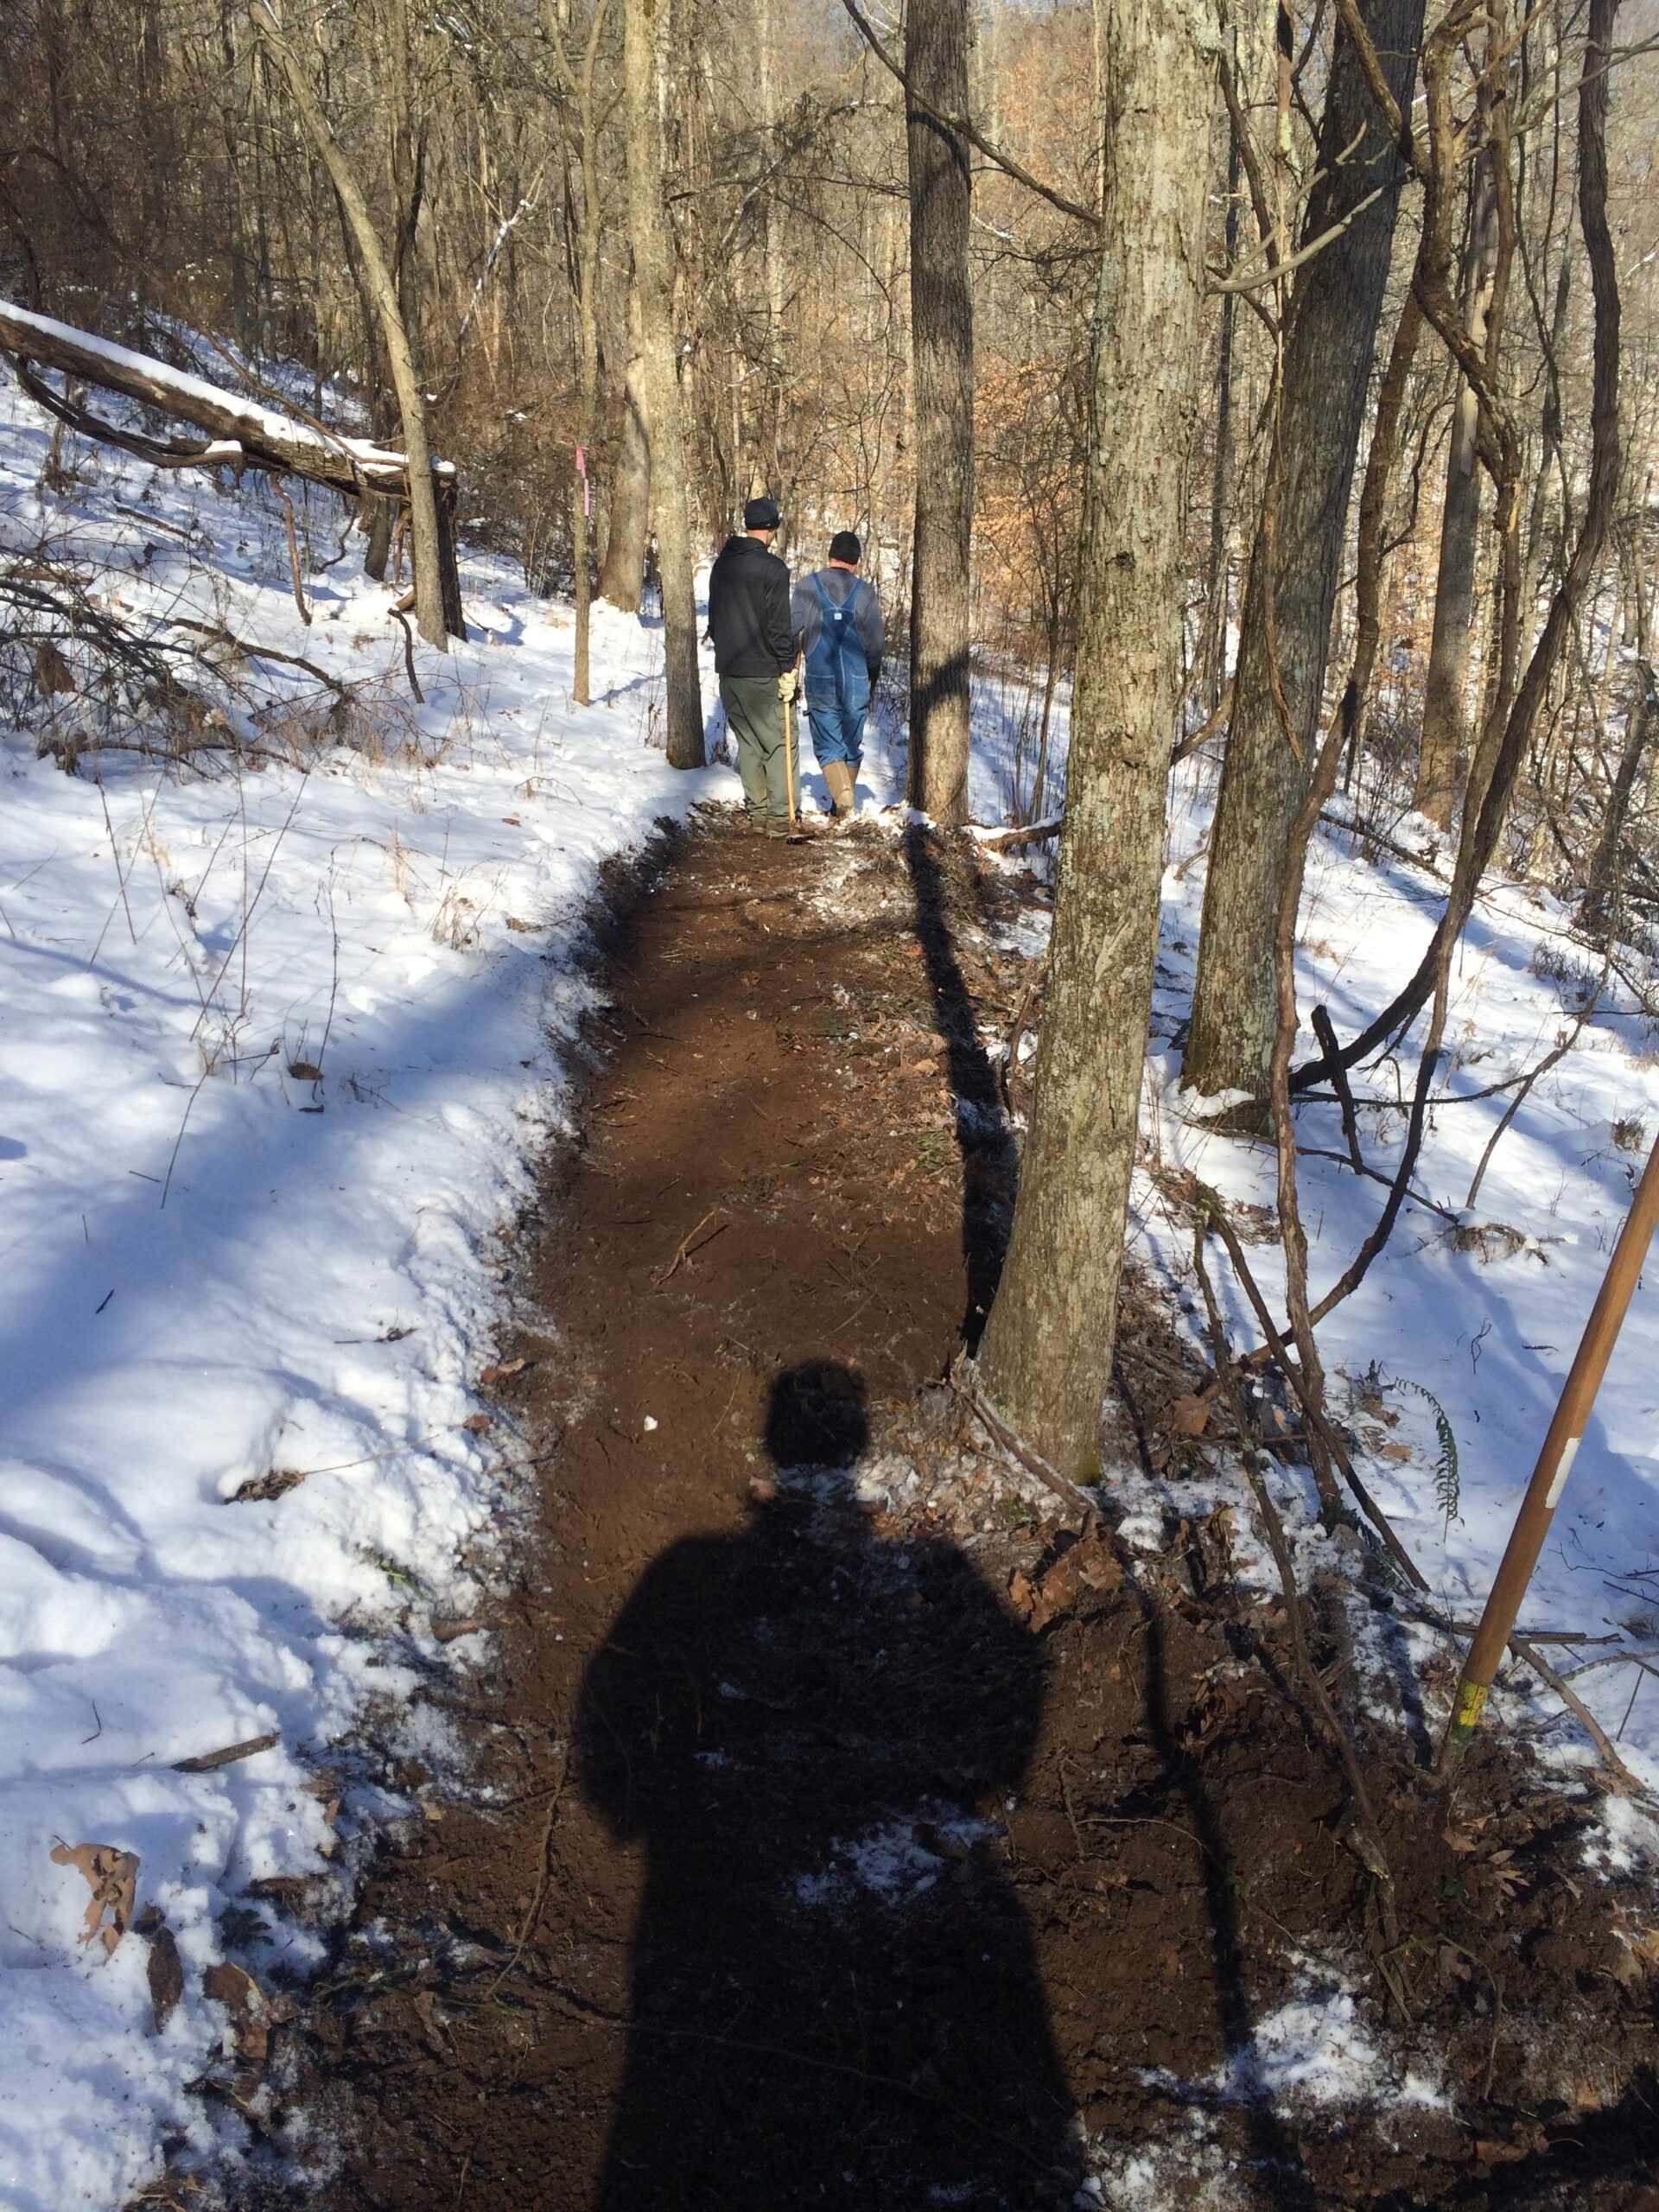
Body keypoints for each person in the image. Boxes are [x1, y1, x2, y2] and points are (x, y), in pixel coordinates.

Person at [577, 1361, 1083, 2210]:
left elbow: (608, 1707)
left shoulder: (695, 1561)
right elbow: (1020, 1671)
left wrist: (628, 1811)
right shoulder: (922, 1568)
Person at [707, 495, 798, 833]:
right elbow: (778, 628)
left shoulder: (721, 565)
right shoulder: (774, 570)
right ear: (771, 528)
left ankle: (758, 814)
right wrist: (786, 667)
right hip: (763, 672)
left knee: (748, 742)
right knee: (778, 742)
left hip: (729, 671)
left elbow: (714, 620)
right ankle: (778, 819)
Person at [791, 530, 884, 821]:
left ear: (830, 556)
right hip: (856, 682)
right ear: (856, 561)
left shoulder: (807, 586)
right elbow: (876, 644)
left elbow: (791, 631)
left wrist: (788, 668)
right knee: (850, 745)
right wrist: (872, 675)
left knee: (829, 745)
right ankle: (843, 808)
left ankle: (844, 804)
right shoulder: (865, 593)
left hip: (821, 681)